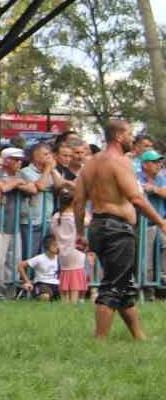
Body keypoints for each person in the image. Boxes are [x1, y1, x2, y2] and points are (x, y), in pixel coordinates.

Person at [73, 118, 166, 340]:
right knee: (114, 285)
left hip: (98, 226)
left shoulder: (90, 164)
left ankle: (138, 336)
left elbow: (78, 202)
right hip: (117, 229)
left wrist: (80, 233)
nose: (132, 138)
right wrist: (161, 222)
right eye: (130, 133)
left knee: (123, 283)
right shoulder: (120, 161)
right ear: (118, 136)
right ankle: (99, 340)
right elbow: (137, 198)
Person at [17, 234, 61, 301]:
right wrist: (27, 281)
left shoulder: (59, 258)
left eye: (58, 245)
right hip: (42, 283)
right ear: (48, 246)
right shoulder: (39, 258)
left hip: (57, 284)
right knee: (45, 296)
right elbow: (20, 266)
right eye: (55, 245)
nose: (57, 247)